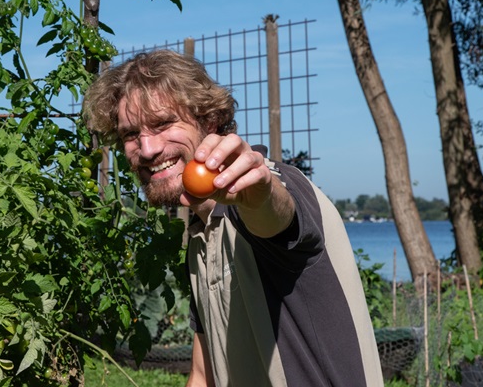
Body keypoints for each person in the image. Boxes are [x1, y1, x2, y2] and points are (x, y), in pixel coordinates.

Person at [82, 49, 383, 386]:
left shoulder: (271, 186)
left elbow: (275, 213)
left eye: (163, 123)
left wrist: (260, 193)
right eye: (131, 134)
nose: (148, 148)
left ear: (209, 121)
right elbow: (202, 374)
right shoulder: (201, 239)